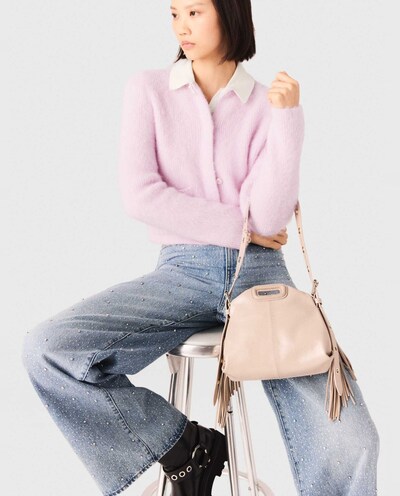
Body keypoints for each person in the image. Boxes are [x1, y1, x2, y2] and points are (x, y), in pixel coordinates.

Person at [21, 1, 380, 495]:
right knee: (49, 349)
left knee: (351, 442)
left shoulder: (266, 103)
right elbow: (141, 195)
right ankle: (184, 447)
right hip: (181, 271)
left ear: (230, 12)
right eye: (174, 13)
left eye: (194, 12)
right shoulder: (148, 90)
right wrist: (240, 225)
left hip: (261, 275)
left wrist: (287, 120)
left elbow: (269, 219)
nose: (181, 27)